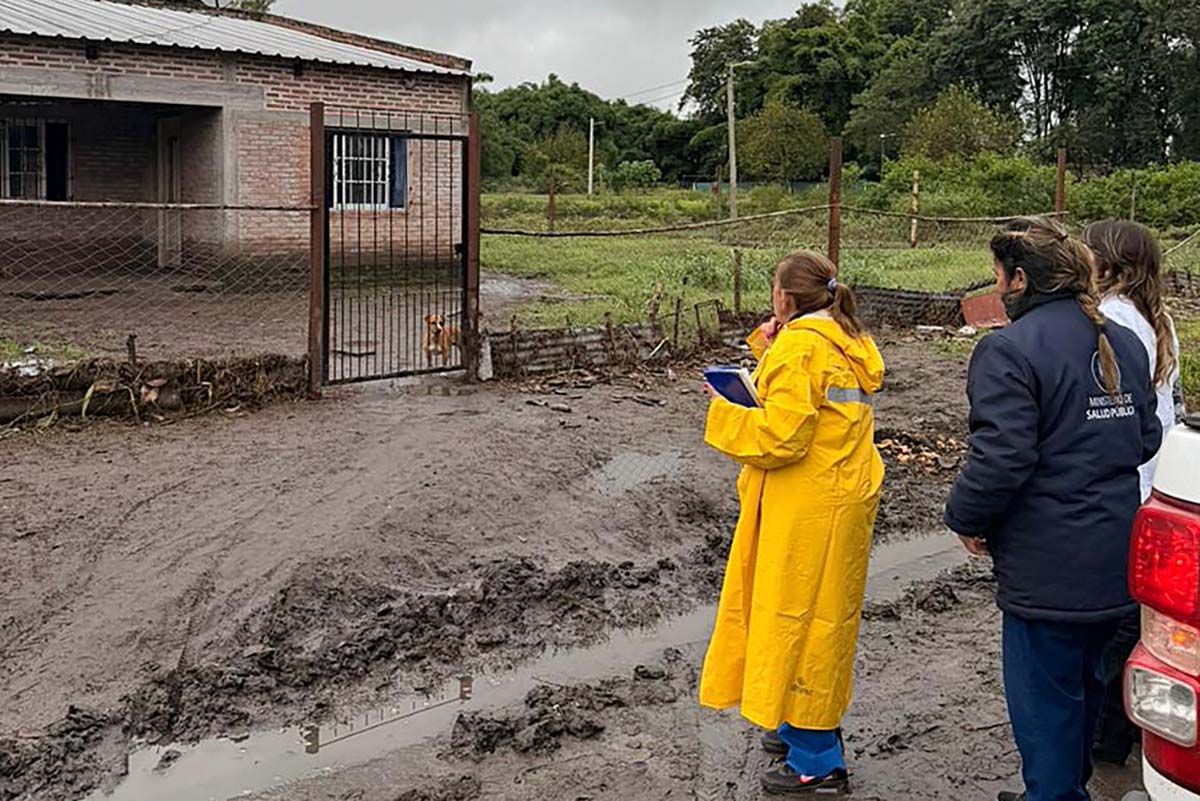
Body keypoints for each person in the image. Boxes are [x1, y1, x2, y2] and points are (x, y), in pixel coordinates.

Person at [944, 217, 1162, 801]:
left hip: (1047, 571)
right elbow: (1146, 439)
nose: (997, 288)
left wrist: (965, 517)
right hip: (1114, 560)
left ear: (1019, 279)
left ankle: (1054, 792)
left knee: (1045, 709)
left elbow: (1001, 456)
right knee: (1087, 690)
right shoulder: (1122, 342)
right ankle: (1065, 789)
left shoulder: (1008, 349)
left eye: (998, 276)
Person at [700, 251, 885, 797]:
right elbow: (815, 403)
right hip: (834, 497)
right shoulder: (841, 337)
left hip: (808, 507)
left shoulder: (802, 347)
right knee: (810, 619)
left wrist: (723, 410)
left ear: (784, 297)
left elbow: (782, 436)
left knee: (802, 626)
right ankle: (795, 723)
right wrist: (769, 348)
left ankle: (817, 760)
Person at [1082, 220, 1183, 767]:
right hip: (1153, 472)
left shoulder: (1114, 318)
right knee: (1140, 612)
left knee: (1121, 619)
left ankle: (1108, 733)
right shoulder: (1155, 317)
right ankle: (1127, 727)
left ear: (1106, 263)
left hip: (1132, 479)